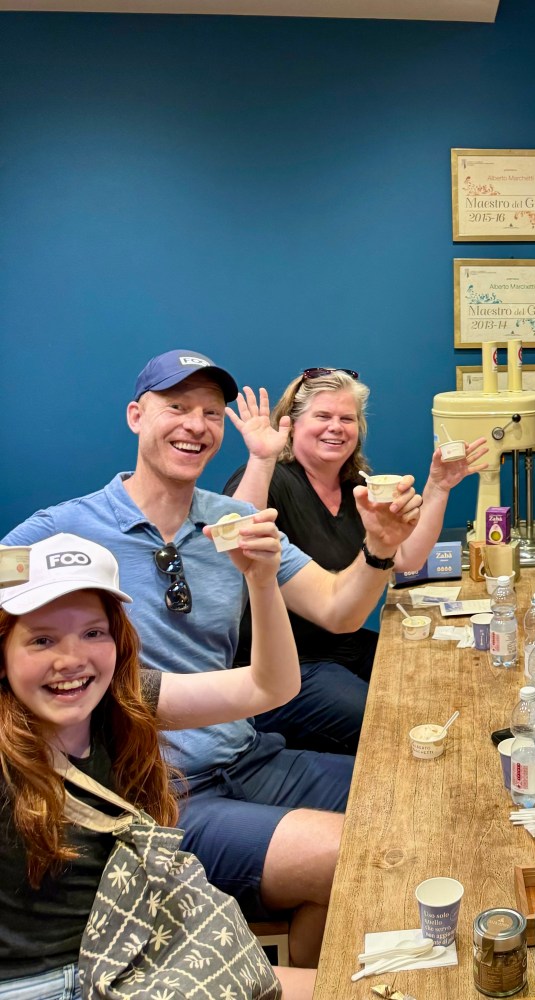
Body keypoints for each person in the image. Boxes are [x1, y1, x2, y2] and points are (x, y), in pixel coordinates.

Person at [1, 349, 424, 967]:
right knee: (360, 849)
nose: (195, 425)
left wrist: (381, 549)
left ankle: (306, 971)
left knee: (410, 794)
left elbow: (338, 610)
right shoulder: (61, 533)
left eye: (211, 413)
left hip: (249, 753)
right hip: (161, 790)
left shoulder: (237, 523)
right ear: (135, 416)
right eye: (176, 407)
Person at [0, 531, 315, 999]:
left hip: (140, 951)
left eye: (93, 633)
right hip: (48, 982)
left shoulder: (122, 700)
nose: (71, 660)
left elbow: (271, 687)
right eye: (42, 640)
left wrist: (263, 583)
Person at [222, 366, 487, 754]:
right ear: (291, 425)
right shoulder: (268, 479)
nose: (337, 427)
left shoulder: (356, 485)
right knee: (393, 725)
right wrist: (261, 460)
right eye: (323, 416)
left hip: (342, 646)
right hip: (287, 666)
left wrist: (438, 487)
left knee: (433, 681)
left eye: (347, 418)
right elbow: (238, 535)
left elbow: (407, 557)